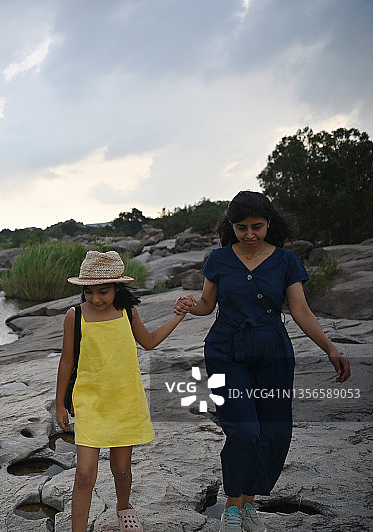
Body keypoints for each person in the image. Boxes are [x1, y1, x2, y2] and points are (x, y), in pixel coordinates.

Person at [184, 190, 351, 532]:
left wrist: (330, 348)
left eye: (256, 226)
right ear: (230, 226)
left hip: (272, 352)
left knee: (272, 432)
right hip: (225, 350)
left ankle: (249, 505)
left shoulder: (286, 261)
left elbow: (300, 310)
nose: (248, 234)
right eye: (241, 227)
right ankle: (232, 507)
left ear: (269, 223)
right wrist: (189, 304)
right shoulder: (218, 259)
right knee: (244, 430)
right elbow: (206, 304)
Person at [55, 250, 192, 532]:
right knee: (83, 474)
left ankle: (123, 508)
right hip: (90, 402)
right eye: (89, 292)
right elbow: (67, 361)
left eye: (103, 291)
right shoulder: (75, 315)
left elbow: (150, 341)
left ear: (117, 287)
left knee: (121, 469)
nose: (95, 299)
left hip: (124, 401)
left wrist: (178, 316)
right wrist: (59, 405)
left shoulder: (128, 312)